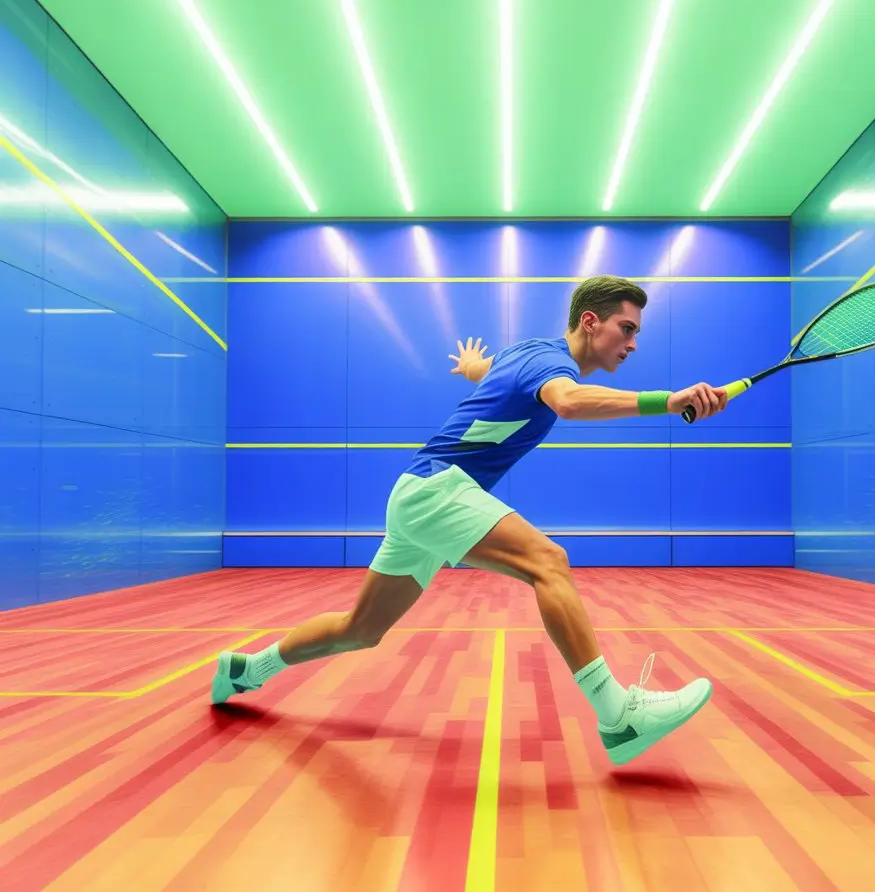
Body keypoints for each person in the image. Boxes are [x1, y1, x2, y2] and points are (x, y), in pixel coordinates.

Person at [211, 275, 729, 765]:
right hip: (440, 488)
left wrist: (474, 371)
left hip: (418, 496)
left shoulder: (528, 353)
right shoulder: (554, 369)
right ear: (590, 322)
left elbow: (501, 376)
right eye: (628, 328)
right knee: (549, 562)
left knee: (361, 629)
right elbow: (567, 403)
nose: (633, 342)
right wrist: (671, 399)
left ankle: (245, 670)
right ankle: (618, 717)